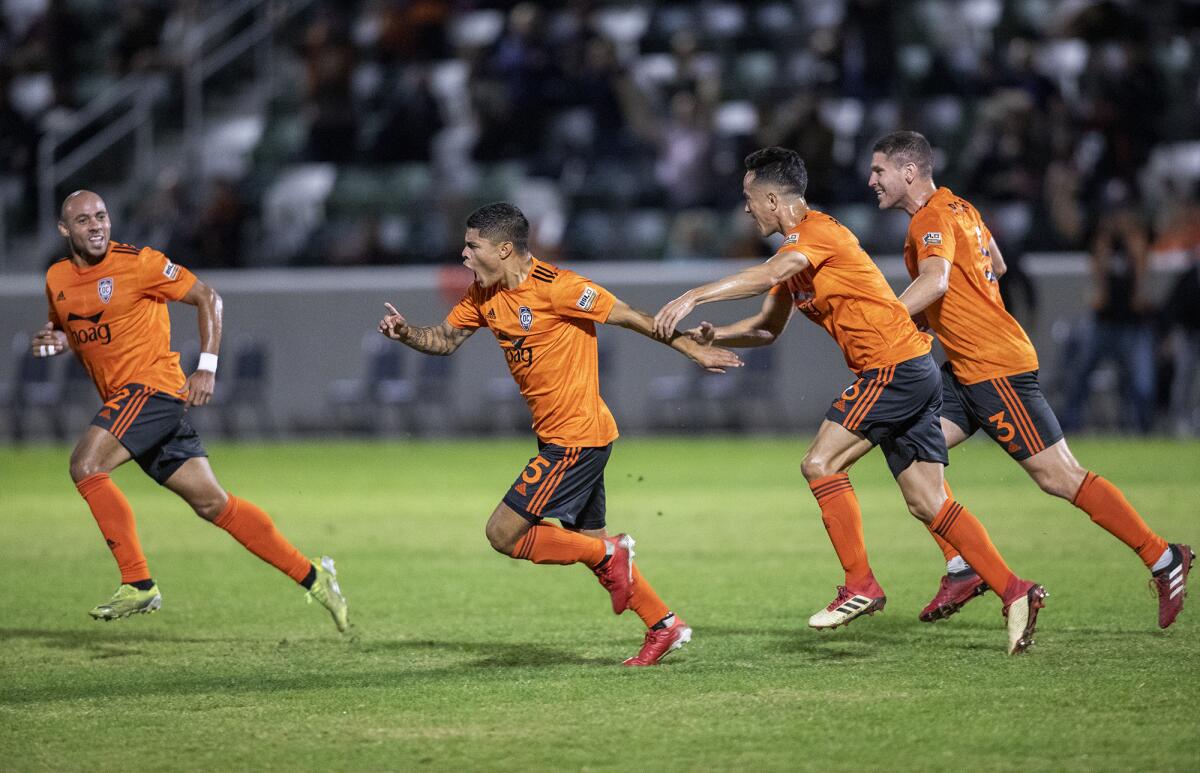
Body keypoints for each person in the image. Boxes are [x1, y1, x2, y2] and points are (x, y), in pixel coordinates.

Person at [655, 147, 1046, 655]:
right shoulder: (797, 254)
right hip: (913, 366)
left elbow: (769, 275)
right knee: (927, 500)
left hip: (894, 367)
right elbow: (766, 329)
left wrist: (694, 295)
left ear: (773, 198)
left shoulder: (815, 235)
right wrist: (715, 338)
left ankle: (860, 583)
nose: (747, 210)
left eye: (750, 199)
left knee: (819, 463)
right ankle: (1015, 591)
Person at [377, 202, 742, 666]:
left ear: (504, 248)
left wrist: (691, 348)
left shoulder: (561, 288)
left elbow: (630, 316)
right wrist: (406, 332)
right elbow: (445, 340)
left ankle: (611, 552)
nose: (464, 255)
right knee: (594, 552)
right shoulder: (484, 294)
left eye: (473, 246)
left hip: (576, 439)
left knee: (504, 534)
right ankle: (664, 626)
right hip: (567, 437)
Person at [867, 130, 1192, 628]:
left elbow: (936, 281)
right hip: (966, 370)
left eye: (879, 171)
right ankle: (961, 566)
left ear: (908, 172)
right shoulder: (961, 209)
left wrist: (892, 319)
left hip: (996, 369)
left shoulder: (931, 219)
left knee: (1058, 476)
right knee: (905, 446)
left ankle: (1163, 557)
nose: (872, 180)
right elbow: (993, 262)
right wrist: (955, 317)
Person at [30, 190, 349, 631]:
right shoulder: (57, 278)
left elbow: (208, 297)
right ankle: (314, 575)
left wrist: (207, 368)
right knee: (213, 504)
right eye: (84, 220)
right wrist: (54, 339)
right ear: (65, 230)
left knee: (85, 466)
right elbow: (67, 325)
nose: (97, 225)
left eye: (102, 215)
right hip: (128, 403)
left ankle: (138, 582)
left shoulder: (139, 263)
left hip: (152, 390)